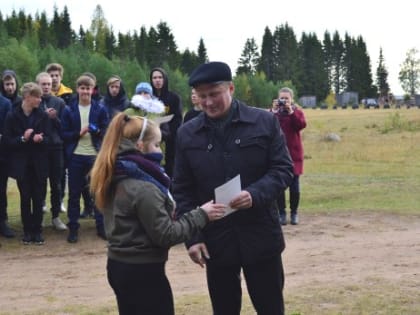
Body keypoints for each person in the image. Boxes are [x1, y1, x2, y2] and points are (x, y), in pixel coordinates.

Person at [173, 62, 294, 315]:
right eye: (201, 96)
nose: (207, 102)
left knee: (271, 307)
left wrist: (255, 194)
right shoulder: (187, 134)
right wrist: (192, 238)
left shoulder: (263, 122)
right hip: (216, 241)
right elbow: (182, 190)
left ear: (231, 88)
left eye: (214, 94)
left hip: (261, 235)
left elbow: (283, 170)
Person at [89, 112, 226, 315]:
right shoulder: (143, 187)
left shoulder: (115, 173)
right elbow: (165, 234)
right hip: (143, 273)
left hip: (119, 265)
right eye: (155, 144)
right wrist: (201, 215)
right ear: (140, 146)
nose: (159, 151)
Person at [61, 75, 109, 243]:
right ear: (77, 89)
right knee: (74, 195)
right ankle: (73, 228)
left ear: (92, 90)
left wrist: (96, 131)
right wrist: (78, 134)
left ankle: (101, 227)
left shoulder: (100, 109)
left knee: (97, 193)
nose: (85, 91)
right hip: (75, 156)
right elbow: (63, 134)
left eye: (88, 88)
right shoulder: (69, 109)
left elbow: (106, 132)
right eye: (82, 88)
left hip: (94, 157)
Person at [3, 82, 51, 245]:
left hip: (39, 164)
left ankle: (37, 231)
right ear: (27, 97)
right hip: (22, 165)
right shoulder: (12, 115)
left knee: (38, 198)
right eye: (37, 96)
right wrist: (23, 138)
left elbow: (50, 138)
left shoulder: (43, 115)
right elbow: (8, 141)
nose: (40, 99)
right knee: (25, 198)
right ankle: (27, 231)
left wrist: (41, 139)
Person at [36, 72, 67, 231]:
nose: (47, 86)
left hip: (56, 148)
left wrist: (55, 118)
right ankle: (39, 217)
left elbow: (65, 127)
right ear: (38, 86)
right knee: (40, 183)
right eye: (43, 84)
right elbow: (32, 124)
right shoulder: (34, 102)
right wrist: (43, 115)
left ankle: (55, 217)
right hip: (40, 149)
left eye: (49, 84)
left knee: (56, 184)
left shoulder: (59, 102)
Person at [271, 87, 307, 225]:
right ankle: (281, 213)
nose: (284, 101)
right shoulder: (274, 113)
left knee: (294, 187)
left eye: (287, 98)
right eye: (282, 98)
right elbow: (268, 125)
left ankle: (294, 213)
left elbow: (301, 125)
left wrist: (291, 112)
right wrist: (274, 111)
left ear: (292, 99)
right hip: (279, 155)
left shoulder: (297, 112)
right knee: (280, 187)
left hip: (294, 154)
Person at [46, 63, 72, 213]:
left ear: (61, 77)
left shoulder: (68, 94)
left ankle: (60, 199)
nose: (54, 78)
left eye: (56, 75)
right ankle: (44, 201)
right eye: (51, 75)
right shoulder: (42, 95)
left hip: (62, 139)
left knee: (61, 173)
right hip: (46, 139)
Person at [150, 67, 183, 178]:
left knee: (169, 171)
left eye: (160, 77)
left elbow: (177, 119)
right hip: (151, 140)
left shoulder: (174, 98)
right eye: (154, 78)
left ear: (165, 79)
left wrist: (167, 133)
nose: (157, 80)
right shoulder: (149, 98)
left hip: (170, 141)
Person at [0, 93, 14, 238]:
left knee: (1, 190)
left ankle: (2, 221)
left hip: (1, 155)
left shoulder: (5, 103)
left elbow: (8, 129)